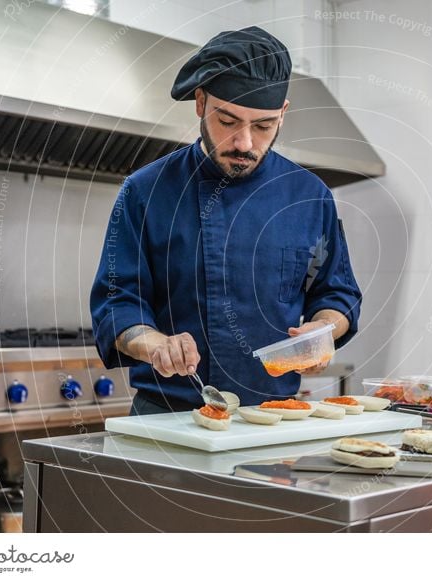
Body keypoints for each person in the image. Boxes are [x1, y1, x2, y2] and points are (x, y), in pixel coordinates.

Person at [90, 26, 362, 416]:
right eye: (228, 121)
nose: (245, 143)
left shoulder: (309, 196)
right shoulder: (145, 191)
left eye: (264, 126)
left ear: (282, 114)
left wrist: (323, 330)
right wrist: (155, 344)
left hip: (274, 417)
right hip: (167, 416)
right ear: (200, 102)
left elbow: (337, 295)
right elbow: (118, 302)